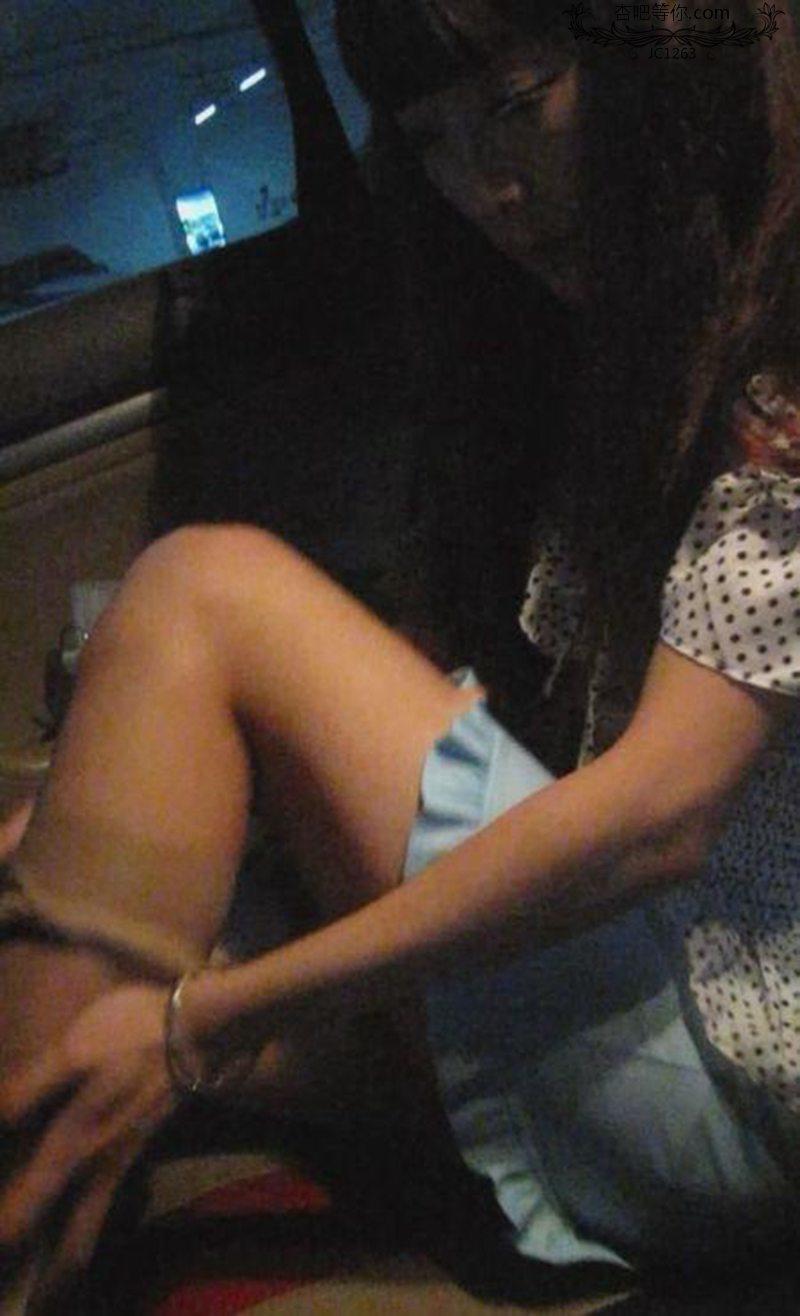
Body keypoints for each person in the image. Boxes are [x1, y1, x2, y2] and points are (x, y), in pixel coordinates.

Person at [2, 0, 800, 1306]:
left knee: (204, 591)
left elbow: (660, 818)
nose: (485, 186)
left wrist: (209, 1023)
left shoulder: (779, 364)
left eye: (517, 103)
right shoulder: (649, 321)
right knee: (109, 854)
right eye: (430, 138)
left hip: (738, 1083)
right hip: (680, 973)